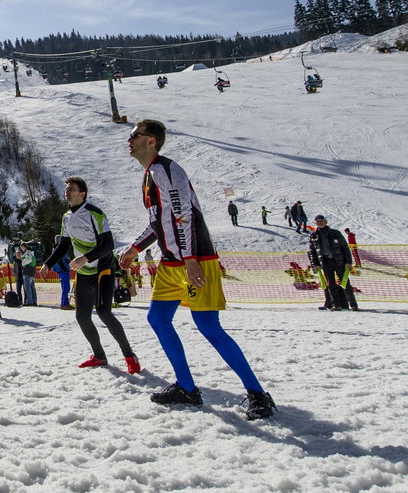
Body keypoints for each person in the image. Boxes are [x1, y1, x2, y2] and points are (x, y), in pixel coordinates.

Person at [119, 119, 275, 420]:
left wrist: (190, 259)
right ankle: (187, 388)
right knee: (158, 319)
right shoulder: (150, 175)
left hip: (196, 259)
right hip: (171, 261)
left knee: (208, 326)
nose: (129, 139)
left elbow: (183, 215)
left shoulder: (167, 169)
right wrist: (136, 246)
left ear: (151, 140)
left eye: (134, 134)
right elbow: (159, 221)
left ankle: (257, 394)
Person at [42, 177, 139, 373]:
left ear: (82, 193)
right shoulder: (66, 217)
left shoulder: (95, 213)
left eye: (72, 189)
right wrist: (48, 263)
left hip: (103, 267)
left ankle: (129, 355)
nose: (67, 191)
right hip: (84, 272)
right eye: (66, 188)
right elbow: (64, 244)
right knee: (82, 317)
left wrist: (86, 257)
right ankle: (99, 356)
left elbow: (108, 245)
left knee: (104, 312)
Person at [308, 215, 357, 311]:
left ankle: (353, 305)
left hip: (339, 261)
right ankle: (336, 305)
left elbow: (345, 248)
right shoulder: (314, 236)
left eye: (321, 221)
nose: (319, 223)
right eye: (317, 221)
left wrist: (348, 262)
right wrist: (315, 264)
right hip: (326, 262)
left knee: (346, 283)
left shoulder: (335, 233)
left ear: (326, 222)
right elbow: (312, 252)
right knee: (330, 285)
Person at [52, 235, 73, 310]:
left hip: (60, 269)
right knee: (66, 287)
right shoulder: (58, 248)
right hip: (62, 270)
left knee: (64, 287)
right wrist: (65, 268)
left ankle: (65, 303)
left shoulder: (55, 248)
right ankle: (64, 304)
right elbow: (59, 260)